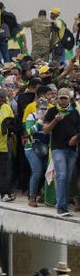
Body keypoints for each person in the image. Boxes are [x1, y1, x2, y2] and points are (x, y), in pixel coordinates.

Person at [42, 88, 80, 216]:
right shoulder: (52, 111)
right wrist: (56, 120)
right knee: (62, 176)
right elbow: (46, 130)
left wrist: (76, 137)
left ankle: (64, 203)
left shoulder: (74, 112)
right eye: (61, 98)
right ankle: (61, 206)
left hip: (72, 149)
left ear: (69, 99)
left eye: (65, 98)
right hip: (58, 148)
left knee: (68, 178)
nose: (63, 100)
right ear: (57, 98)